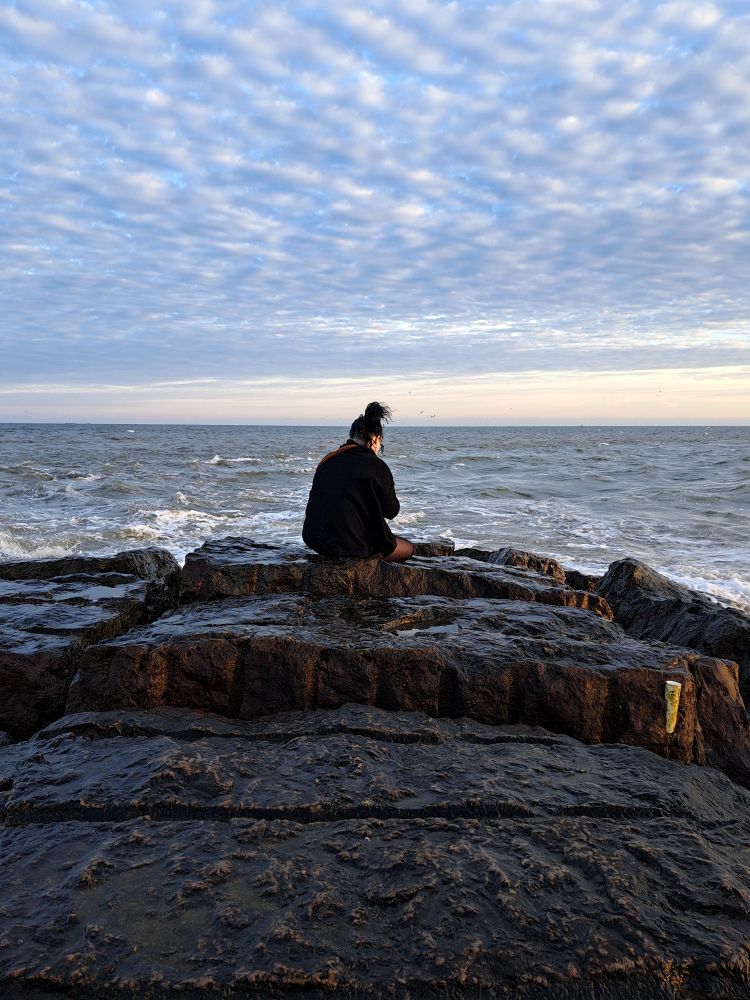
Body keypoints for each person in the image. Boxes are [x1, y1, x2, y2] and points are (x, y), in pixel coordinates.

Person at [302, 402, 414, 562]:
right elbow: (392, 511)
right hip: (354, 547)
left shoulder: (328, 460)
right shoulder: (377, 466)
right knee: (409, 548)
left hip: (317, 542)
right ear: (376, 439)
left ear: (352, 436)